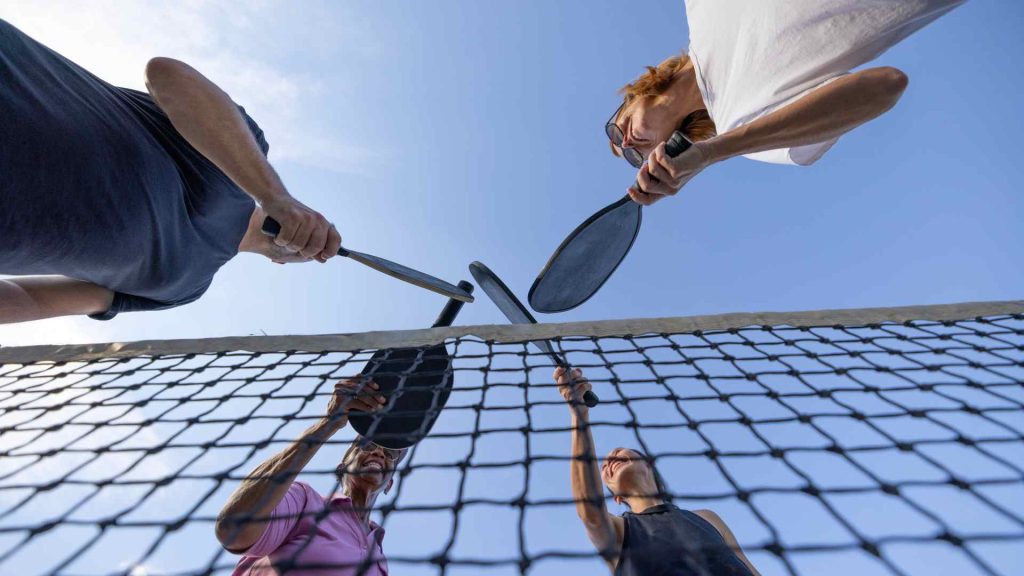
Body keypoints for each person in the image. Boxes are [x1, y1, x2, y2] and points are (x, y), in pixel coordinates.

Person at [0, 18, 341, 324]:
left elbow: (34, 299)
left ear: (281, 264)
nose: (313, 243)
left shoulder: (184, 290)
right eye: (321, 231)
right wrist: (275, 195)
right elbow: (166, 74)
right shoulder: (243, 152)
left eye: (318, 252)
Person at [607, 0, 966, 206]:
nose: (626, 144)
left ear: (632, 96)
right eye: (630, 156)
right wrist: (712, 152)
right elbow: (886, 85)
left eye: (615, 129)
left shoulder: (700, 8)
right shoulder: (745, 131)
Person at [555, 367, 760, 575]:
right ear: (616, 497)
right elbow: (590, 513)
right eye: (604, 467)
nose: (609, 461)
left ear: (648, 463)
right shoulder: (619, 531)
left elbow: (750, 569)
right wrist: (579, 414)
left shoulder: (708, 518)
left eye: (620, 453)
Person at [216, 376, 402, 575]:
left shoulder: (380, 559)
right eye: (367, 445)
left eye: (390, 454)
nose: (379, 452)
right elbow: (234, 529)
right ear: (342, 466)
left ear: (390, 484)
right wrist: (328, 423)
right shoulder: (303, 501)